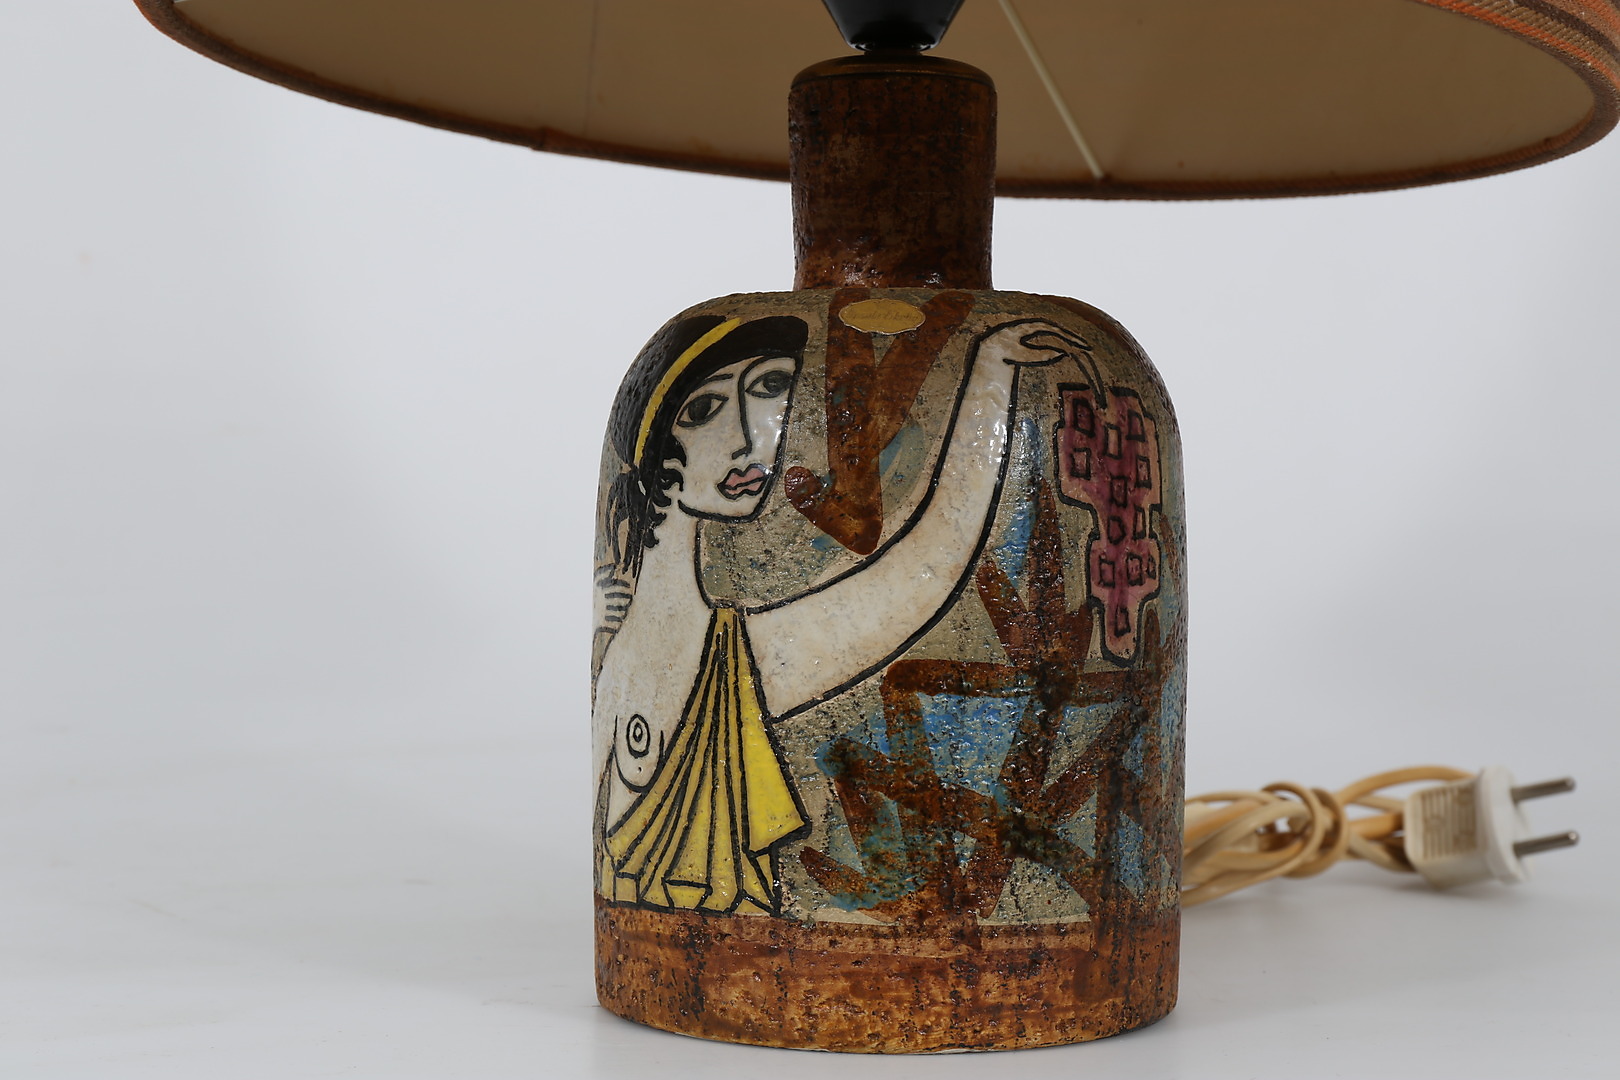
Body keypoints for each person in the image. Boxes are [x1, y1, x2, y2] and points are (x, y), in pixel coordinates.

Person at [592, 309, 1085, 915]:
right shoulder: (709, 658)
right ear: (656, 455)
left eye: (770, 386)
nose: (748, 439)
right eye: (704, 409)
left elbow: (921, 576)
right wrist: (990, 371)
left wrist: (991, 369)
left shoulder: (706, 651)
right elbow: (913, 581)